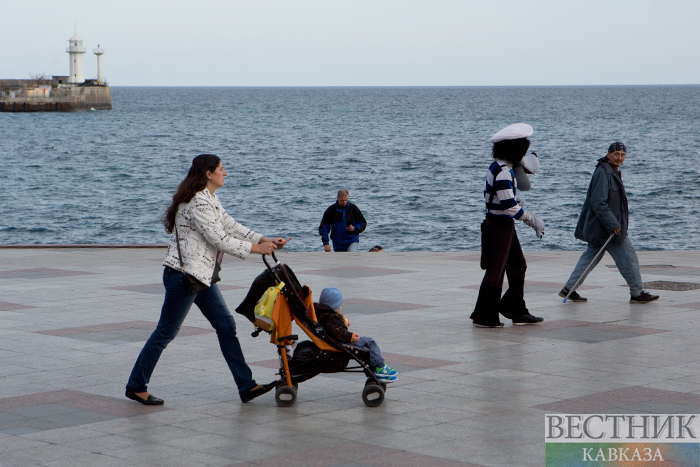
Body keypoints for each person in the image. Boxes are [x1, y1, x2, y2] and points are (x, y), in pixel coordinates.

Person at [125, 154, 289, 405]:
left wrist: (265, 239)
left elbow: (231, 226)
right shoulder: (197, 201)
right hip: (184, 277)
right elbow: (218, 239)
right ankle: (136, 385)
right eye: (222, 169)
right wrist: (257, 249)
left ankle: (246, 386)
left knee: (226, 326)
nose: (226, 173)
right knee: (166, 332)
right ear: (208, 173)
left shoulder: (209, 197)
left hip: (200, 276)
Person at [559, 142, 660, 304]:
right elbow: (598, 203)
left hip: (601, 228)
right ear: (608, 154)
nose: (619, 158)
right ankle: (637, 293)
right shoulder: (603, 173)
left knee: (589, 259)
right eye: (616, 154)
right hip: (608, 230)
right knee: (629, 258)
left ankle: (568, 289)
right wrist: (613, 224)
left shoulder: (609, 171)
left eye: (623, 155)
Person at [471, 123, 545, 328]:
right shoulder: (504, 171)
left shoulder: (498, 166)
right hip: (500, 226)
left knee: (518, 265)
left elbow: (498, 197)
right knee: (496, 270)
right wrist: (531, 219)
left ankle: (515, 309)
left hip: (500, 224)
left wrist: (515, 201)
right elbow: (509, 207)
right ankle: (484, 316)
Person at [315, 287, 398, 383]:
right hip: (340, 343)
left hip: (334, 341)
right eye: (340, 304)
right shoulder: (330, 318)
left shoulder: (323, 315)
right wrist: (351, 337)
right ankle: (380, 367)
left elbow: (333, 329)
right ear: (335, 306)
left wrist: (344, 323)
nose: (341, 306)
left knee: (367, 342)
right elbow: (337, 332)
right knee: (370, 342)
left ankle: (377, 367)